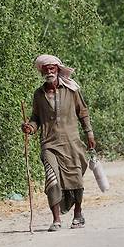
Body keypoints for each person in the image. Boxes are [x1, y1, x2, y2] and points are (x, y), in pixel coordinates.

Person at [21, 54, 96, 232]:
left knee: (76, 179)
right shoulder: (38, 94)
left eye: (52, 68)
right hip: (49, 144)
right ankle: (56, 219)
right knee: (51, 178)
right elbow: (36, 118)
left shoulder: (71, 90)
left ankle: (78, 214)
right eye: (45, 69)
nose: (49, 71)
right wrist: (30, 128)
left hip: (72, 143)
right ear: (42, 72)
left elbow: (83, 112)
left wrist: (89, 133)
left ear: (58, 69)